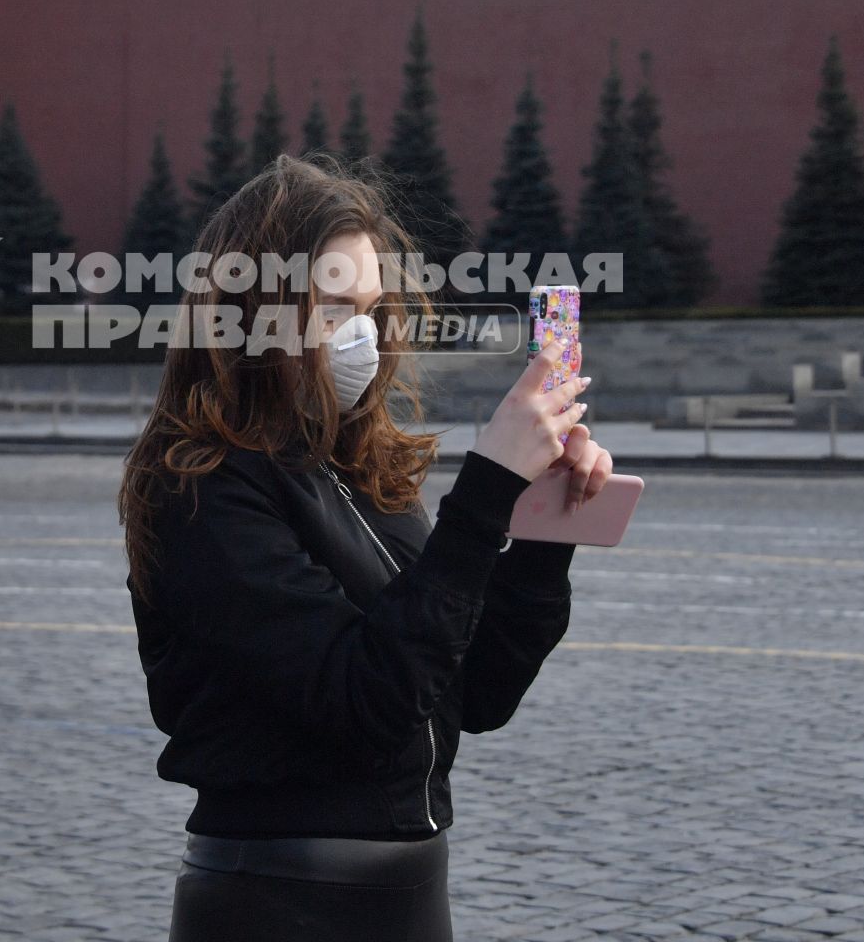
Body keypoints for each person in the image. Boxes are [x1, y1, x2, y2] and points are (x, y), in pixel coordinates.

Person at [120, 153, 612, 941]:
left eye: (371, 308)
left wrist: (545, 528)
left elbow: (472, 690)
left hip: (410, 895)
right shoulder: (200, 482)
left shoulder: (352, 465)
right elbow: (362, 702)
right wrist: (484, 492)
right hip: (278, 902)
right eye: (334, 303)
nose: (362, 335)